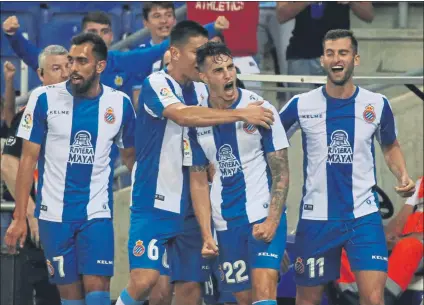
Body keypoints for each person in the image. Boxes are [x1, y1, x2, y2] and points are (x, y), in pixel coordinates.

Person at [116, 20, 274, 305]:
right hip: (154, 201)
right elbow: (184, 116)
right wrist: (241, 115)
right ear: (174, 53)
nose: (202, 60)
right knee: (147, 283)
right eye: (196, 53)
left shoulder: (203, 90)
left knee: (190, 288)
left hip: (193, 205)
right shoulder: (156, 83)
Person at [279, 29, 415, 305]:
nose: (336, 59)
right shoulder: (301, 104)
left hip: (363, 217)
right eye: (330, 53)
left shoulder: (377, 104)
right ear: (322, 60)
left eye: (342, 53)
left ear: (356, 59)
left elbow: (390, 146)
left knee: (374, 299)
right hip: (316, 219)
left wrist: (402, 174)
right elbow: (268, 139)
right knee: (307, 300)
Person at [4, 33, 136, 305]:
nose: (73, 68)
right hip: (54, 216)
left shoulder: (119, 104)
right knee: (71, 298)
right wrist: (19, 216)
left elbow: (131, 157)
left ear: (100, 66)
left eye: (81, 61)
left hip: (96, 213)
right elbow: (27, 159)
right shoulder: (43, 98)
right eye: (71, 60)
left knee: (98, 293)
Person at [187, 41, 289, 305]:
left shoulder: (262, 110)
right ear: (203, 76)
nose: (228, 75)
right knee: (245, 299)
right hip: (225, 223)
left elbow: (281, 172)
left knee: (264, 293)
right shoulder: (198, 121)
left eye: (230, 67)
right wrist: (207, 234)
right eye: (219, 70)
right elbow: (198, 180)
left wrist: (273, 221)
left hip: (262, 214)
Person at [2, 12, 225, 99]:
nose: (98, 36)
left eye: (104, 31)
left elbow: (166, 45)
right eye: (92, 32)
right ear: (81, 34)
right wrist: (13, 36)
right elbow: (35, 57)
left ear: (112, 36)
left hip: (114, 146)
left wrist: (213, 27)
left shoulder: (124, 61)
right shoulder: (69, 63)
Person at [1, 45, 70, 305]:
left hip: (80, 221)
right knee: (50, 296)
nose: (64, 74)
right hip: (45, 223)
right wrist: (29, 212)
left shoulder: (89, 107)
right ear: (41, 75)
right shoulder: (32, 111)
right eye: (56, 68)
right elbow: (8, 163)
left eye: (67, 66)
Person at [337, 176, 424, 305]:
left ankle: (379, 299)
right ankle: (353, 295)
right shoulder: (420, 183)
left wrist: (404, 240)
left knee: (409, 246)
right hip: (404, 241)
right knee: (347, 239)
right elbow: (399, 221)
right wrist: (388, 236)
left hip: (415, 245)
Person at [276, 2, 374, 94]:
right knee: (302, 109)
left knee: (339, 109)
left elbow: (369, 15)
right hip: (302, 55)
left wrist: (352, 2)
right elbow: (281, 15)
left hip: (338, 56)